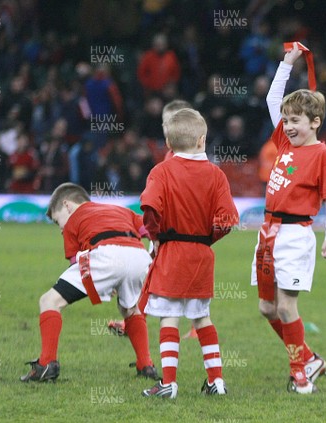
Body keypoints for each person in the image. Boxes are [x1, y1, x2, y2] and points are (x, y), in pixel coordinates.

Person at [251, 43, 326, 394]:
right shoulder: (286, 144)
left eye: (295, 121)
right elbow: (273, 100)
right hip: (267, 232)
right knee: (267, 307)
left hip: (294, 234)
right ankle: (309, 357)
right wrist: (287, 63)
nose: (287, 126)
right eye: (286, 121)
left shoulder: (322, 155)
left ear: (315, 122)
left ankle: (300, 375)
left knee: (287, 307)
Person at [139, 108, 238, 399]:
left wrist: (157, 237)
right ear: (202, 140)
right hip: (201, 254)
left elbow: (149, 209)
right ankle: (216, 381)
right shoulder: (216, 175)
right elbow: (227, 220)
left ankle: (168, 383)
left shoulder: (161, 171)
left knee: (169, 317)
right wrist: (207, 239)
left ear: (168, 145)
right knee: (202, 318)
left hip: (171, 251)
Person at [20, 182, 157, 382]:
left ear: (67, 205)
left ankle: (46, 364)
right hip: (139, 256)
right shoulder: (121, 210)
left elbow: (76, 262)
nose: (61, 229)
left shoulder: (74, 219)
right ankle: (146, 365)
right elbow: (148, 230)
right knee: (130, 310)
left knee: (49, 301)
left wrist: (100, 280)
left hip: (106, 254)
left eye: (59, 222)